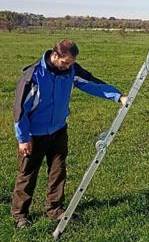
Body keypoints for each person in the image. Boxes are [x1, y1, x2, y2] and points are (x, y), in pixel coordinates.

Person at [11, 39, 126, 229]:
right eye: (66, 63)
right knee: (28, 173)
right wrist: (23, 139)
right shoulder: (32, 76)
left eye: (71, 63)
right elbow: (19, 111)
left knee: (58, 171)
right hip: (34, 135)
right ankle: (20, 214)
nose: (68, 67)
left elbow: (91, 83)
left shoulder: (70, 70)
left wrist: (118, 96)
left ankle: (55, 209)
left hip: (58, 131)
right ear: (55, 56)